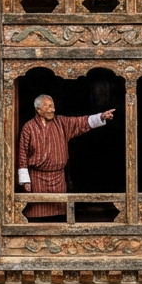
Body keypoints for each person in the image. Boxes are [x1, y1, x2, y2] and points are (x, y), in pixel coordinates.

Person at [16, 94, 115, 222]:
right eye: (49, 106)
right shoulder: (28, 128)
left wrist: (101, 116)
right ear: (38, 110)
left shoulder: (61, 123)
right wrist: (25, 181)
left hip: (58, 178)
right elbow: (22, 154)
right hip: (37, 179)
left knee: (59, 216)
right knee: (38, 215)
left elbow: (80, 122)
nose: (53, 110)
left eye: (53, 106)